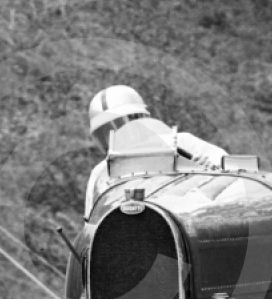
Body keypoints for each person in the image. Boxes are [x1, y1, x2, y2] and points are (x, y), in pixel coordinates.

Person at [85, 85, 229, 219]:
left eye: (120, 125)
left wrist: (206, 169)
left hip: (188, 221)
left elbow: (229, 169)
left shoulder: (183, 143)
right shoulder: (100, 173)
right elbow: (91, 222)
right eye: (105, 132)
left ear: (140, 119)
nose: (116, 134)